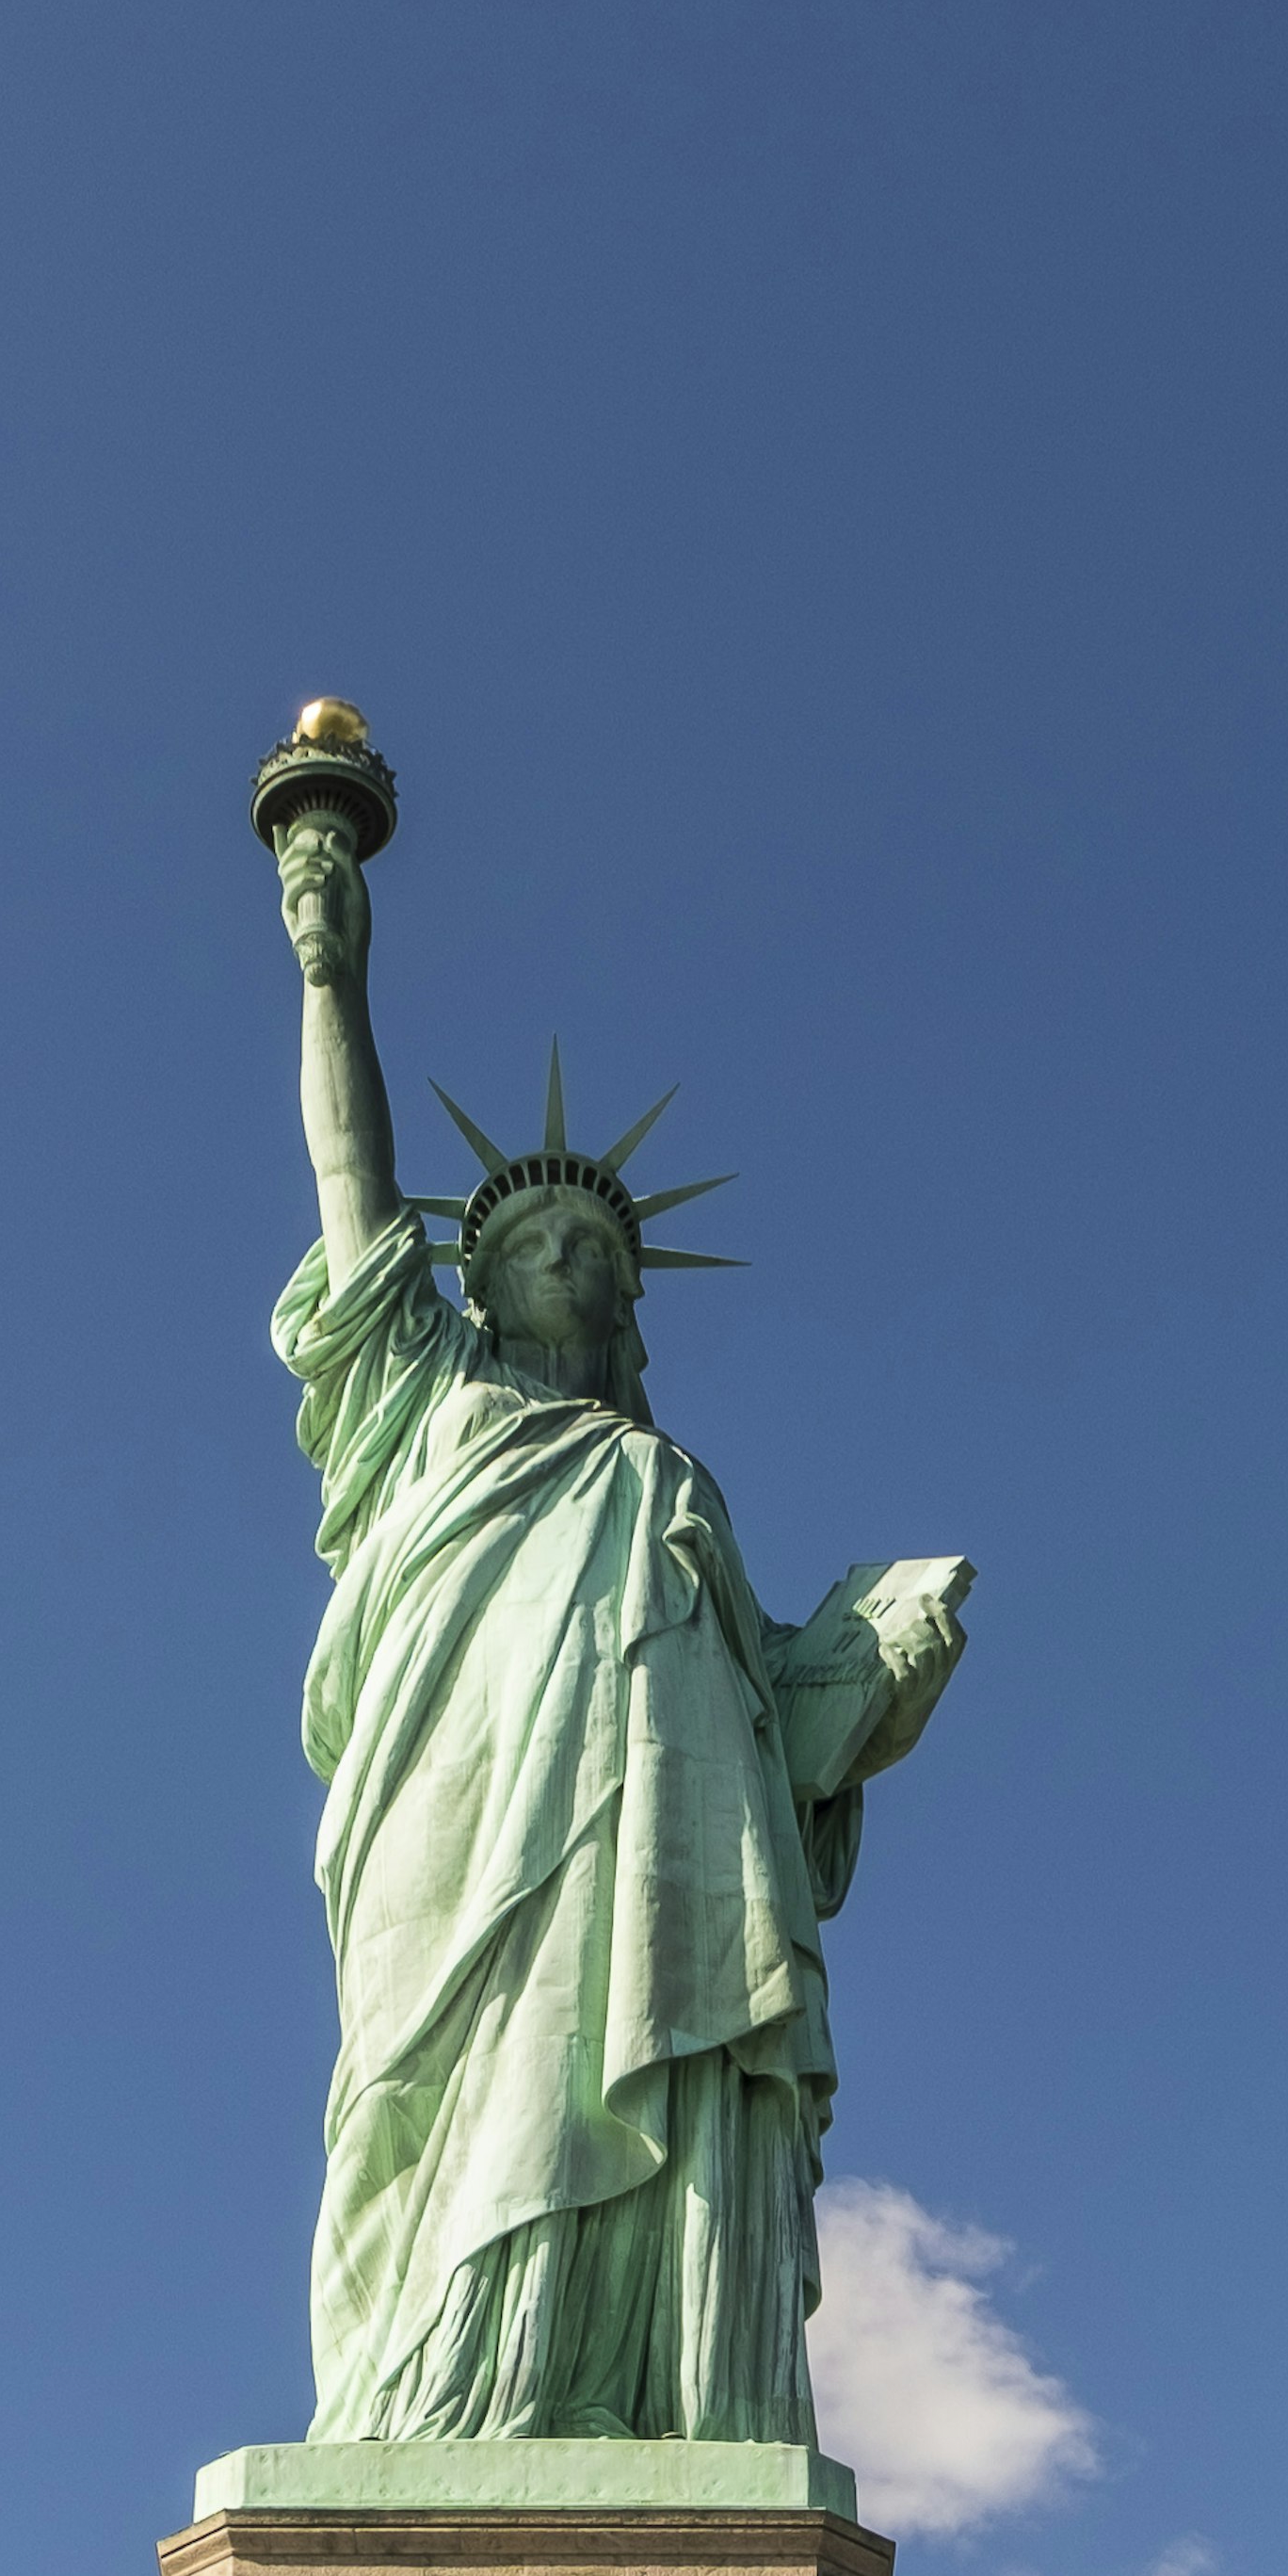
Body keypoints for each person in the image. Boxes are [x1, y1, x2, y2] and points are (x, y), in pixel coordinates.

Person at [271, 780, 969, 2446]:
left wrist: (864, 1675)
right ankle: (441, 2401)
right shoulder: (424, 1407)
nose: (575, 1258)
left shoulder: (677, 1492)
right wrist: (330, 973)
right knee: (445, 2096)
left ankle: (659, 2399)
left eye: (600, 1240)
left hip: (662, 1884)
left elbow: (780, 1758)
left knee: (655, 2047)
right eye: (536, 1238)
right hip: (459, 1844)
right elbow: (353, 1174)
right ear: (480, 1279)